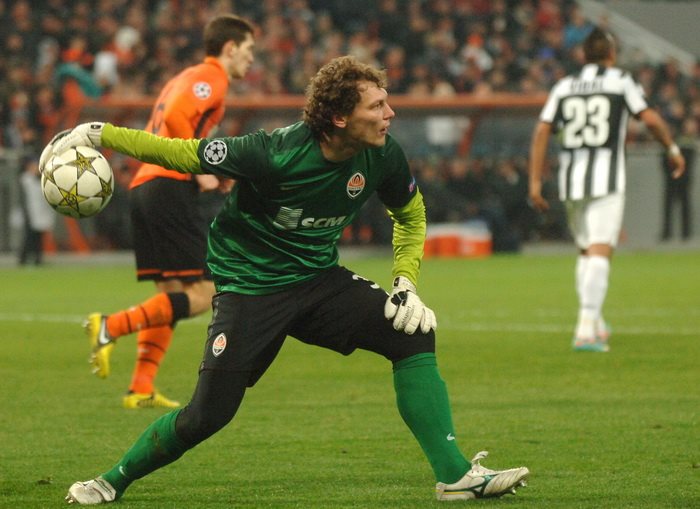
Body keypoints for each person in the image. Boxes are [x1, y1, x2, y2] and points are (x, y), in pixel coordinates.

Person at [51, 56, 529, 504]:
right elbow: (180, 153)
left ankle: (455, 476)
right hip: (251, 287)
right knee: (207, 416)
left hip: (318, 278)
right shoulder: (271, 152)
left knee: (412, 333)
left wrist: (405, 283)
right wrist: (100, 133)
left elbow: (410, 214)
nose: (391, 114)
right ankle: (110, 481)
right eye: (377, 106)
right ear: (339, 118)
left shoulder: (383, 154)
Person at [85, 14, 255, 409]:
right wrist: (200, 169)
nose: (251, 59)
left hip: (147, 185)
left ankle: (141, 387)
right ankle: (110, 326)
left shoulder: (185, 75)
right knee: (205, 292)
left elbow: (170, 120)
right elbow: (178, 116)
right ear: (230, 48)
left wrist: (211, 172)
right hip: (169, 186)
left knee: (173, 294)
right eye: (248, 50)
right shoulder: (212, 77)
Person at [528, 27, 686, 352]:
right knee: (600, 251)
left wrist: (534, 181)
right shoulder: (620, 81)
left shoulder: (564, 86)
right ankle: (585, 329)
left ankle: (595, 321)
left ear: (583, 55)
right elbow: (650, 119)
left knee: (586, 251)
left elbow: (543, 130)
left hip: (571, 181)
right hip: (607, 179)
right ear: (611, 54)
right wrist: (671, 148)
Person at [660, 117, 696, 241]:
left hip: (683, 181)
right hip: (671, 180)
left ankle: (686, 233)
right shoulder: (669, 146)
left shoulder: (685, 144)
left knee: (684, 206)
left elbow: (689, 162)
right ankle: (667, 233)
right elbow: (663, 163)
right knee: (668, 207)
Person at [18, 157, 55, 266]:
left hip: (39, 213)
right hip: (29, 213)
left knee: (38, 238)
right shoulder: (25, 180)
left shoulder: (39, 180)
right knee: (30, 237)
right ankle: (23, 259)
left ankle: (37, 259)